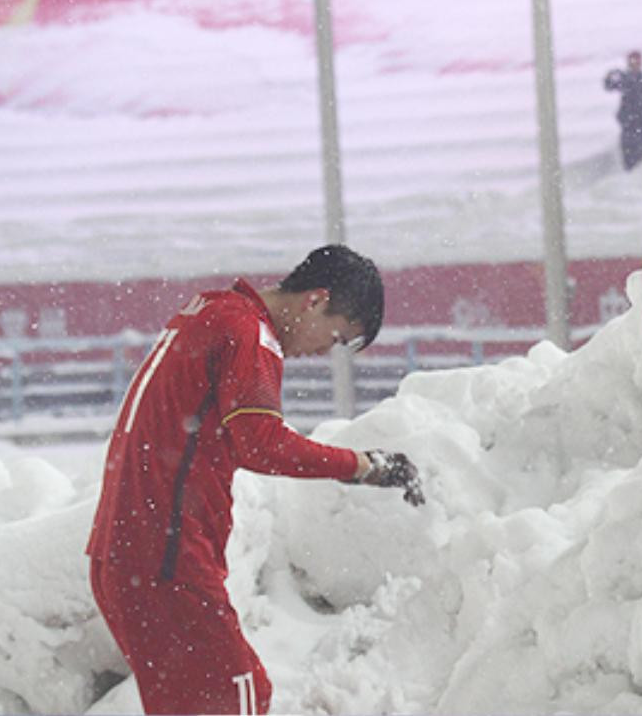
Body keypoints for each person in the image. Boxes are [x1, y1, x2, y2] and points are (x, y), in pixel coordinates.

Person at [86, 244, 423, 715]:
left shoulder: (210, 309)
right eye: (338, 336)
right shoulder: (248, 333)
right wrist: (363, 466)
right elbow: (261, 443)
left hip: (125, 555)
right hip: (168, 558)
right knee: (239, 698)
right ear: (314, 299)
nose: (326, 351)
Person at [603, 50, 642, 170]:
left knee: (640, 160)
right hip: (629, 127)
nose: (634, 64)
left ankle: (635, 180)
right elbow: (610, 85)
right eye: (632, 61)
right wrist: (611, 75)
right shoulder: (626, 79)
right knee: (630, 159)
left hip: (641, 127)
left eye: (637, 61)